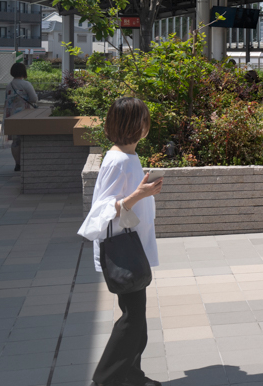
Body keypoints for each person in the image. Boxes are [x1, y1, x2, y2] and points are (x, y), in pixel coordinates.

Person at [78, 97, 163, 386]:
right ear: (134, 125)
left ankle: (131, 376)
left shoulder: (127, 156)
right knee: (132, 318)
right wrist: (140, 194)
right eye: (143, 120)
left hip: (131, 248)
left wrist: (143, 193)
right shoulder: (117, 160)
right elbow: (101, 210)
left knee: (137, 318)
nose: (146, 125)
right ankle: (106, 380)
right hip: (122, 251)